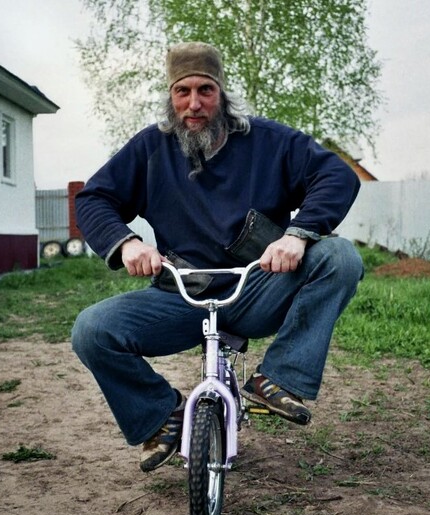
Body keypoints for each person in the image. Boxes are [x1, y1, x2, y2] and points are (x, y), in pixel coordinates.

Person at [71, 42, 364, 473]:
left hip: (257, 288)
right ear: (171, 96)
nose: (194, 103)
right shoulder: (152, 148)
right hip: (181, 295)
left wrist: (297, 235)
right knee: (92, 330)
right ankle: (162, 416)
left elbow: (335, 174)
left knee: (340, 256)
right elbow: (94, 198)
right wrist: (127, 243)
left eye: (205, 90)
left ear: (221, 93)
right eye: (183, 91)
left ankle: (277, 379)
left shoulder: (269, 142)